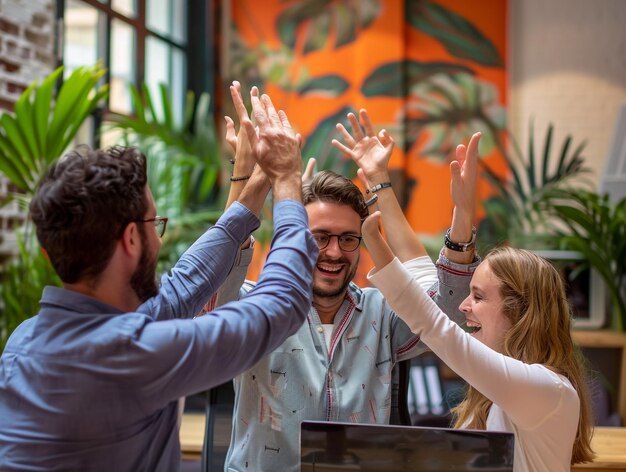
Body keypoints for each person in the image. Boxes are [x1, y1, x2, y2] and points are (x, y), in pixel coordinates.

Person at [0, 87, 318, 470]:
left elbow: (181, 286)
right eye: (155, 222)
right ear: (132, 238)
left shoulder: (22, 343)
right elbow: (280, 305)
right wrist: (286, 179)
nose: (159, 234)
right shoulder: (135, 356)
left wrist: (258, 181)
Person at [213, 94, 481, 471]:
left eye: (347, 239)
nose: (335, 252)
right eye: (319, 237)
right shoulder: (259, 308)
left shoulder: (381, 314)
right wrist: (251, 175)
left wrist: (457, 214)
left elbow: (448, 311)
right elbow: (214, 284)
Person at [361, 137, 595, 471]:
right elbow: (419, 271)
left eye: (479, 296)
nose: (463, 306)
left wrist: (370, 238)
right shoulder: (497, 389)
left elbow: (436, 326)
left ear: (521, 312)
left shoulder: (546, 389)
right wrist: (381, 184)